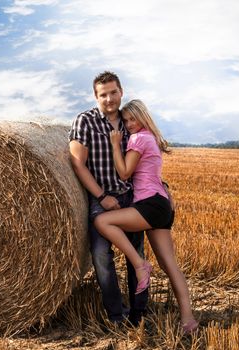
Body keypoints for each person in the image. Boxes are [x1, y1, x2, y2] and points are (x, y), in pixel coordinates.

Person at [93, 99, 198, 334]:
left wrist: (114, 144)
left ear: (143, 117)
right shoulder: (151, 137)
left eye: (133, 119)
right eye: (126, 120)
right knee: (170, 265)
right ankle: (188, 321)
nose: (129, 124)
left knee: (102, 221)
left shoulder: (139, 138)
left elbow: (124, 172)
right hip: (161, 206)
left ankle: (140, 265)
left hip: (150, 205)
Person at [69, 71, 148, 326]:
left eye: (113, 92)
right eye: (103, 94)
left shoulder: (129, 122)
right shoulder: (85, 121)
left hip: (130, 197)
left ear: (121, 92)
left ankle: (138, 314)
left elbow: (145, 159)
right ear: (96, 96)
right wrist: (101, 197)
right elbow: (78, 164)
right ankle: (116, 315)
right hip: (101, 200)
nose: (109, 99)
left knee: (135, 253)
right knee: (102, 257)